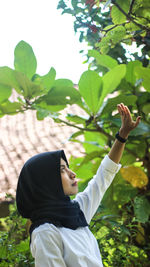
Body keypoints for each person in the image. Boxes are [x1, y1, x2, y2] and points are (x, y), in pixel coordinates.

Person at [16, 103, 141, 267]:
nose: (72, 173)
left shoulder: (76, 212)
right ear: (46, 182)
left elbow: (104, 175)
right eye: (62, 170)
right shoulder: (45, 232)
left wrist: (122, 135)